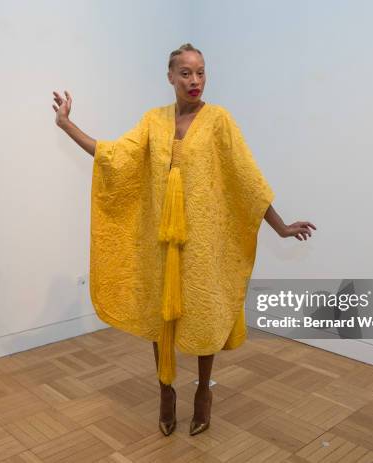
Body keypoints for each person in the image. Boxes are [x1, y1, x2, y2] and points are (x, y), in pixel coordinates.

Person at [52, 43, 316, 437]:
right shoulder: (153, 121)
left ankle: (203, 394)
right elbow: (113, 156)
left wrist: (279, 226)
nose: (195, 81)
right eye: (186, 73)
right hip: (161, 242)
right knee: (164, 318)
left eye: (201, 72)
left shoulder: (219, 121)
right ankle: (165, 392)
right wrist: (67, 125)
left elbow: (247, 179)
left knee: (204, 314)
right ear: (170, 77)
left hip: (202, 241)